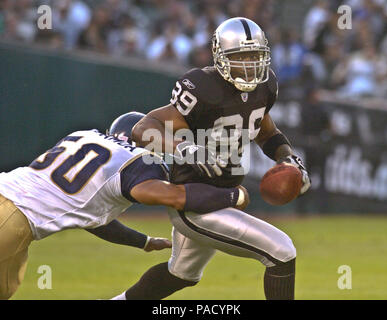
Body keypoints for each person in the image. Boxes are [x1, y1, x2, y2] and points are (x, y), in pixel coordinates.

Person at [113, 17, 311, 300]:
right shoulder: (202, 88)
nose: (250, 64)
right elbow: (144, 127)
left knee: (180, 274)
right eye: (240, 57)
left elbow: (266, 133)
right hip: (194, 202)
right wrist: (183, 148)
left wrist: (289, 159)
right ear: (220, 56)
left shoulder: (265, 86)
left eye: (255, 56)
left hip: (222, 195)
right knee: (281, 251)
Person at [0, 112, 247, 300]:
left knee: (7, 287)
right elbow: (170, 196)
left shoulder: (84, 135)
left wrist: (144, 242)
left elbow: (90, 217)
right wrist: (233, 196)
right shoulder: (137, 162)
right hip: (13, 220)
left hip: (6, 193)